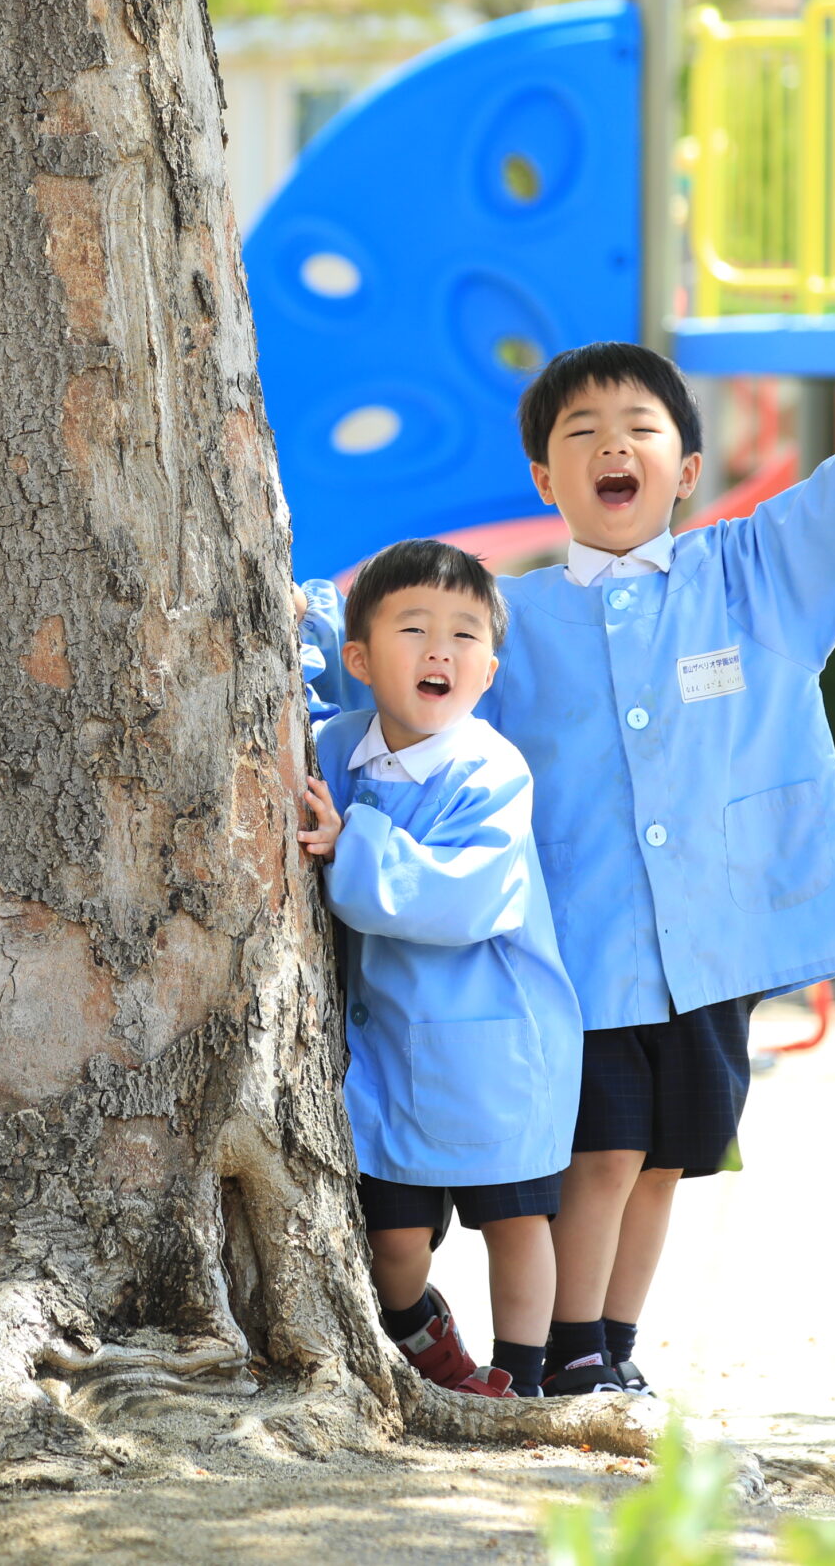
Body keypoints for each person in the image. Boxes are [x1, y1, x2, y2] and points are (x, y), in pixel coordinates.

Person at [305, 295, 835, 1396]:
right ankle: (566, 1344)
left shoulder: (754, 575)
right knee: (601, 1151)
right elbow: (397, 669)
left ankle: (611, 1347)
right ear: (544, 480)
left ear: (685, 469)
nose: (610, 445)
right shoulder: (502, 617)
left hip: (718, 935)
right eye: (579, 434)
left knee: (672, 1157)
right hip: (584, 941)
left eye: (638, 428)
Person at [296, 540, 582, 1399]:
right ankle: (431, 1341)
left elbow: (462, 896)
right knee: (392, 1245)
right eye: (412, 627)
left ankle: (521, 1380)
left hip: (493, 1043)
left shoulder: (490, 769)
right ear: (360, 657)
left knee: (515, 1218)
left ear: (487, 670)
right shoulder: (334, 748)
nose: (439, 651)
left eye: (464, 635)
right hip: (383, 1055)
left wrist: (358, 843)